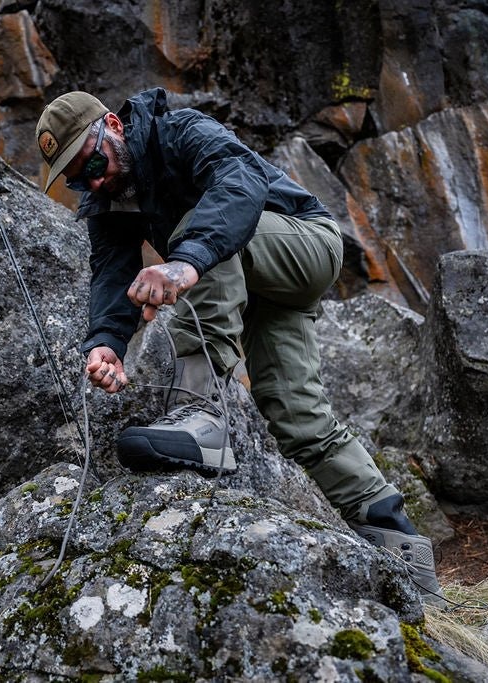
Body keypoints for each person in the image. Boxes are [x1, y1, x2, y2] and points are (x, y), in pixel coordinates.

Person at [35, 88, 442, 602]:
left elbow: (238, 183)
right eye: (76, 177)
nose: (93, 179)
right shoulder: (109, 199)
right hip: (250, 273)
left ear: (113, 125)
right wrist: (106, 343)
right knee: (296, 413)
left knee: (197, 232)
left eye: (93, 161)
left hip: (305, 243)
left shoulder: (179, 130)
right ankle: (402, 548)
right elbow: (112, 274)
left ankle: (202, 413)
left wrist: (185, 262)